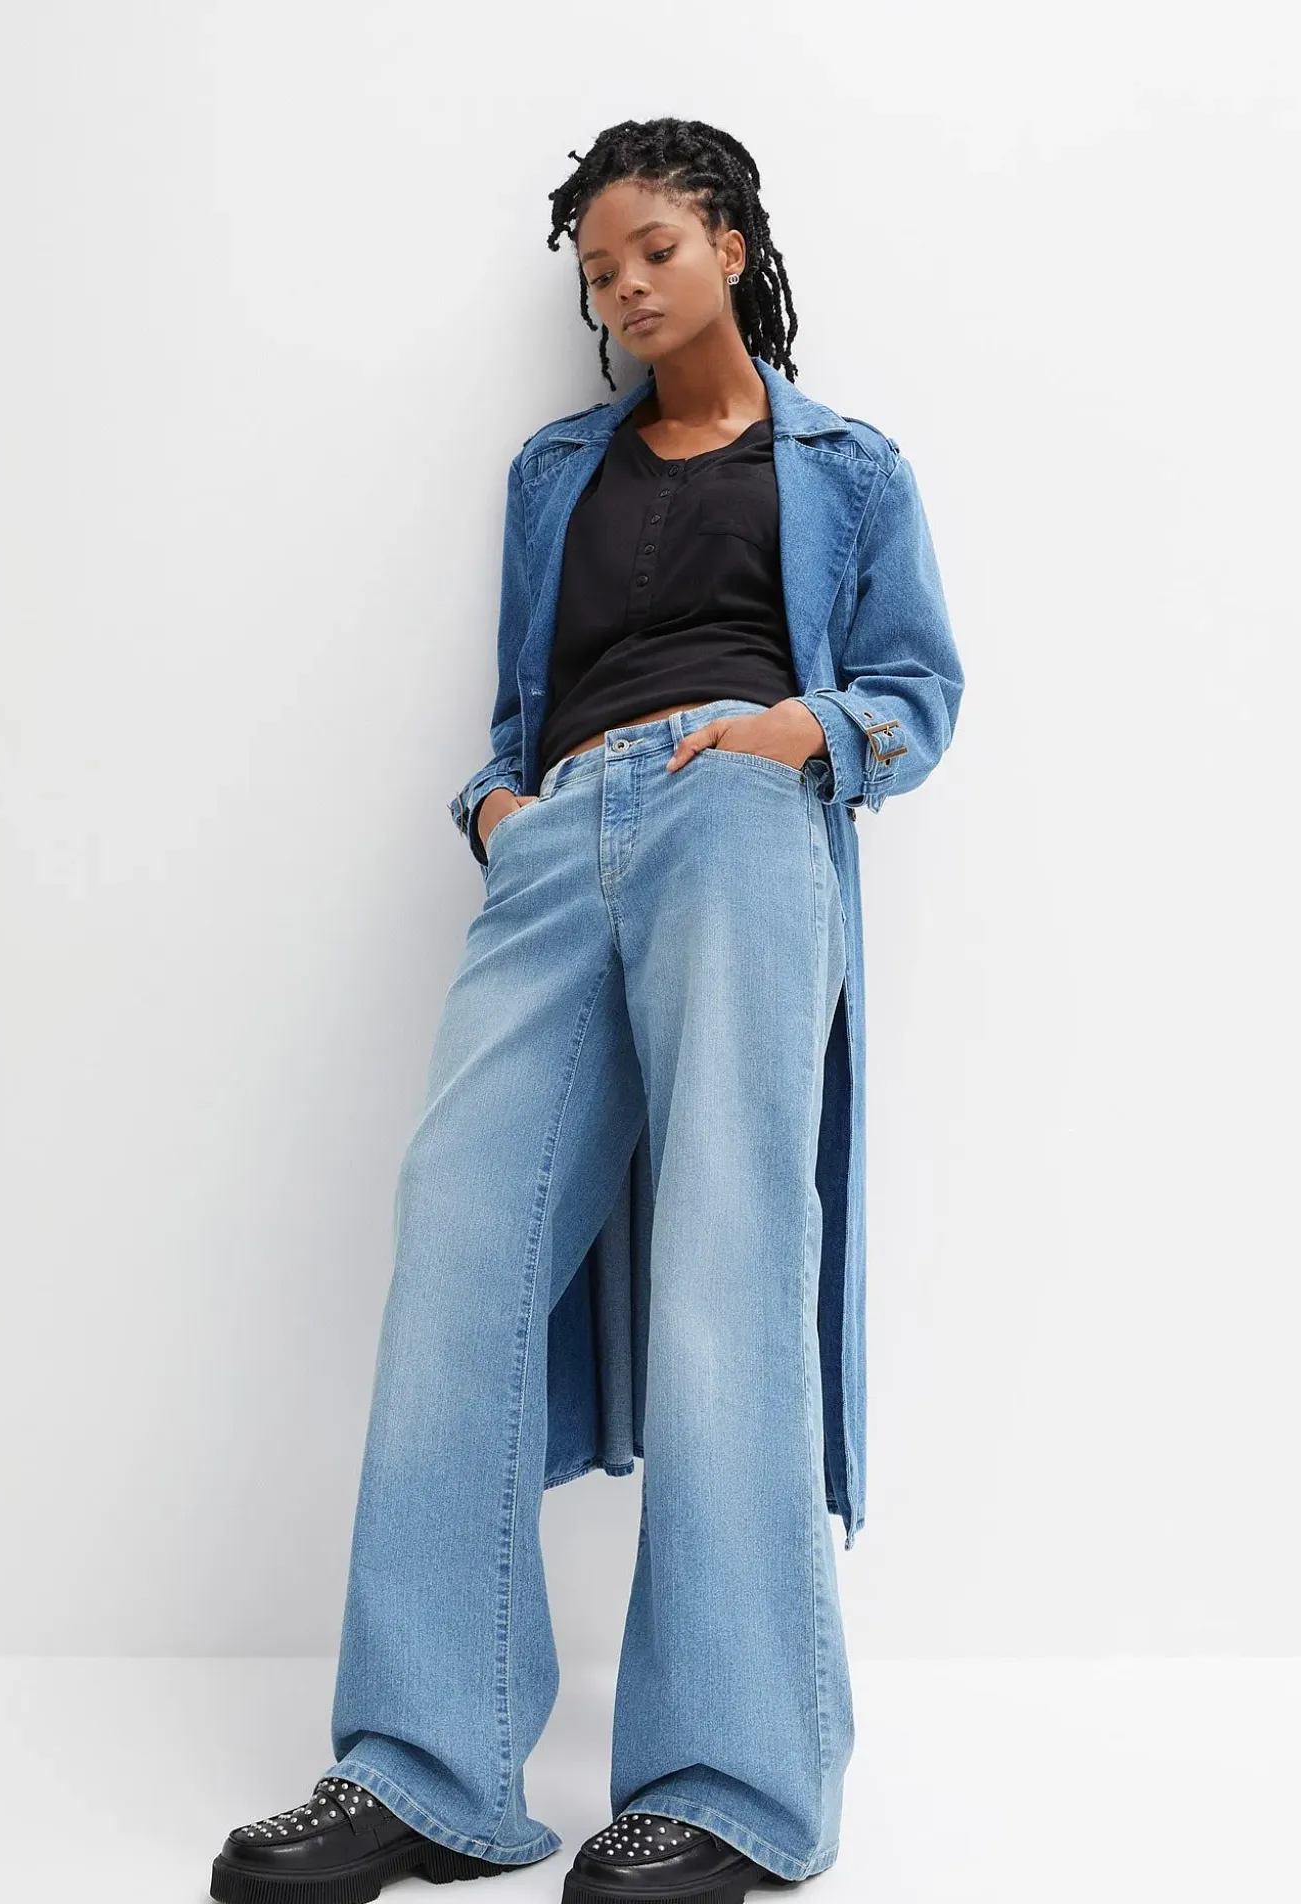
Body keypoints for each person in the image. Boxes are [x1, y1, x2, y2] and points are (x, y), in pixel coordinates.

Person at [210, 115, 964, 1904]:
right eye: (598, 269)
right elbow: (519, 702)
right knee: (457, 1244)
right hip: (559, 844)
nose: (623, 288)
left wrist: (806, 734)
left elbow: (917, 687)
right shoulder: (555, 471)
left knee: (726, 1264)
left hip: (739, 819)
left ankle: (731, 1785)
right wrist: (497, 807)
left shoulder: (847, 464)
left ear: (732, 244)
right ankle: (425, 1768)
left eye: (653, 251)